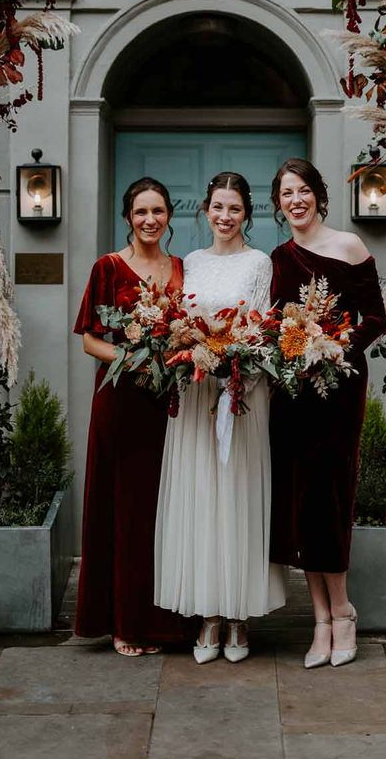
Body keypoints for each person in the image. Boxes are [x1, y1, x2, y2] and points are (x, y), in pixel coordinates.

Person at [154, 172, 286, 664]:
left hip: (240, 393)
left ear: (246, 213)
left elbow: (260, 330)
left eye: (234, 208)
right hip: (192, 394)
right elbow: (182, 323)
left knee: (236, 497)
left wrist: (237, 373)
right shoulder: (190, 262)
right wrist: (189, 352)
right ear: (205, 211)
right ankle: (208, 616)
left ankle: (238, 618)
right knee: (202, 497)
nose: (225, 216)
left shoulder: (259, 264)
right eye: (217, 207)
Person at [269, 158, 386, 669]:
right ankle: (319, 621)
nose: (295, 200)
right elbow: (273, 323)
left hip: (338, 389)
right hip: (292, 394)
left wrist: (336, 345)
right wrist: (289, 348)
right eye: (286, 193)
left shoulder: (349, 246)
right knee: (300, 502)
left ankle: (344, 612)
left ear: (318, 194)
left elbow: (377, 318)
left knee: (331, 497)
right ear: (278, 204)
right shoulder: (279, 256)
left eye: (303, 191)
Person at [73, 177, 191, 655]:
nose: (150, 220)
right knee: (123, 511)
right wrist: (133, 358)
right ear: (127, 217)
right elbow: (89, 339)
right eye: (141, 212)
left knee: (164, 511)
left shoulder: (181, 268)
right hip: (121, 400)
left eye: (158, 211)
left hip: (168, 405)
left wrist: (176, 353)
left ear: (168, 217)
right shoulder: (108, 267)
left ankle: (165, 623)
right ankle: (124, 623)